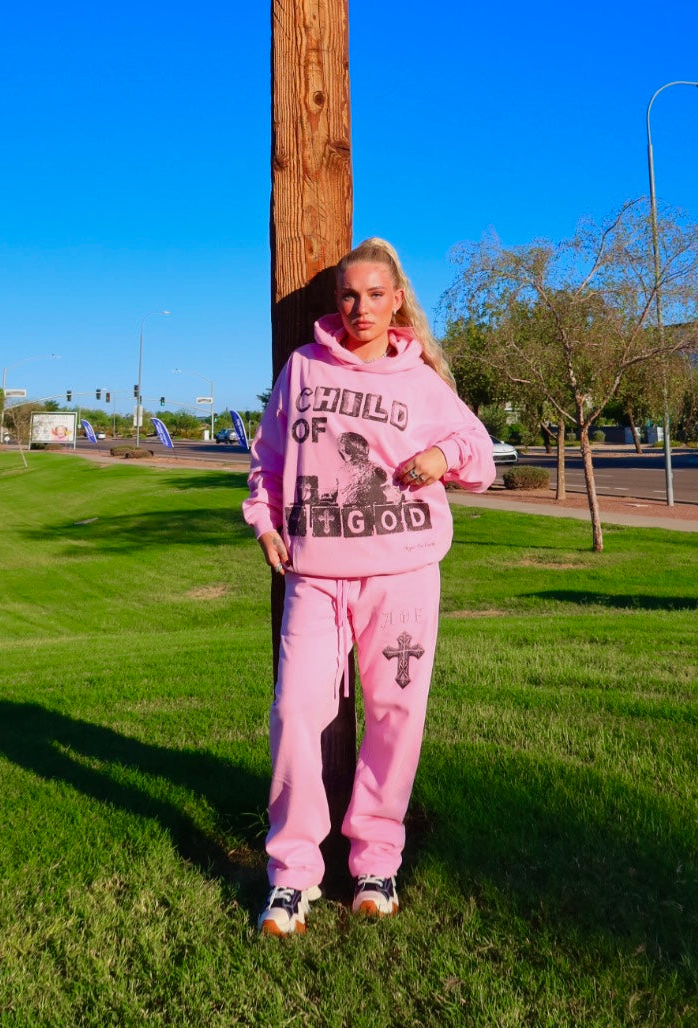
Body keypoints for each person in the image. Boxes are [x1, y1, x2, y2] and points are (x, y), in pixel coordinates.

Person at [243, 237, 495, 936]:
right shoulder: (303, 368)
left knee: (395, 715)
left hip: (402, 570)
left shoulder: (421, 381)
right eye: (350, 295)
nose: (361, 308)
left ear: (396, 301)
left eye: (375, 295)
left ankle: (376, 862)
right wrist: (264, 522)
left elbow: (480, 456)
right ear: (337, 302)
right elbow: (268, 460)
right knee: (296, 712)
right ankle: (292, 873)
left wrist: (441, 454)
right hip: (315, 572)